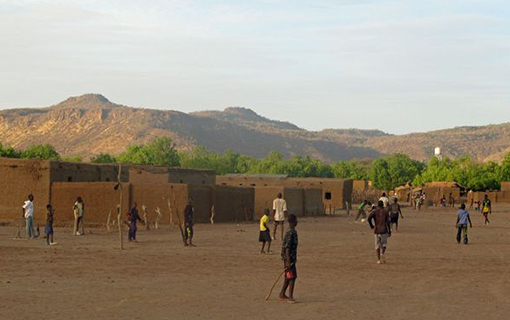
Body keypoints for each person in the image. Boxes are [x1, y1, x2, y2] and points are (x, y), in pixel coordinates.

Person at [279, 214, 298, 303]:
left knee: (288, 276)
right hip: (288, 258)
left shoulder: (293, 231)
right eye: (296, 220)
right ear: (293, 222)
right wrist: (288, 261)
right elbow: (287, 248)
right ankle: (290, 297)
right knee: (292, 277)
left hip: (291, 258)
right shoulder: (290, 233)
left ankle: (282, 293)